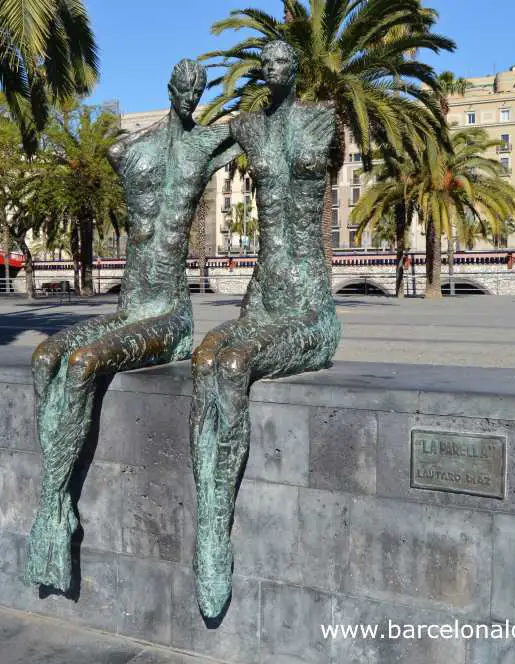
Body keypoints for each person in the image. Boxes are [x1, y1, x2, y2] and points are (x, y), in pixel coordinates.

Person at [25, 59, 238, 591]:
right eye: (184, 89)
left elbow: (255, 127)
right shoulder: (128, 152)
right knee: (45, 357)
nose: (191, 96)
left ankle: (54, 508)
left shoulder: (207, 145)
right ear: (170, 89)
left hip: (168, 317)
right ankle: (56, 502)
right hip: (130, 308)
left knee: (81, 363)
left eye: (199, 89)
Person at [189, 40, 342, 618]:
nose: (273, 71)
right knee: (204, 361)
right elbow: (188, 156)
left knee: (231, 365)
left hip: (308, 307)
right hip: (262, 297)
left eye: (282, 63)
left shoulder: (321, 118)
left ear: (296, 70)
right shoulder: (247, 127)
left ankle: (215, 538)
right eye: (266, 64)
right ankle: (208, 519)